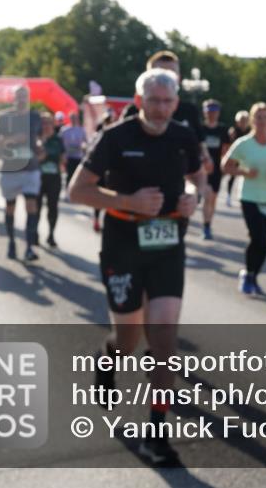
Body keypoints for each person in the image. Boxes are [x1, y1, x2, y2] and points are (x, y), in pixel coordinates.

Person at [69, 68, 202, 467]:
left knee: (164, 341)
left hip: (167, 245)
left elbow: (196, 179)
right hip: (123, 243)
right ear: (138, 99)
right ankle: (107, 358)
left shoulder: (184, 136)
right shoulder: (116, 137)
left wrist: (192, 197)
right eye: (154, 100)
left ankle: (156, 433)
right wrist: (128, 201)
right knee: (127, 338)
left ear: (176, 103)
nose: (161, 108)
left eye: (168, 101)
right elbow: (77, 191)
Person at [222, 102, 266, 296]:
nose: (262, 121)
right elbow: (225, 166)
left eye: (265, 118)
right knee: (258, 238)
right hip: (250, 197)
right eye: (258, 118)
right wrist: (243, 171)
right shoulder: (243, 143)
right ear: (252, 120)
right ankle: (248, 274)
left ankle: (253, 276)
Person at [0, 86, 44, 262]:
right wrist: (12, 139)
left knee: (32, 205)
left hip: (31, 168)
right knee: (10, 207)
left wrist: (40, 147)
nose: (22, 99)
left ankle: (29, 247)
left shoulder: (36, 116)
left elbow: (40, 137)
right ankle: (12, 242)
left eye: (25, 96)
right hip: (10, 168)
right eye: (19, 96)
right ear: (14, 98)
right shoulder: (4, 117)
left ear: (29, 98)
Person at [199, 99, 229, 240]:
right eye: (209, 112)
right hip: (201, 169)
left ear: (218, 113)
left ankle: (208, 223)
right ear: (205, 113)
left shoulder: (222, 130)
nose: (212, 115)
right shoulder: (200, 128)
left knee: (213, 199)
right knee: (208, 196)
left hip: (216, 168)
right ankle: (206, 226)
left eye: (214, 112)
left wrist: (224, 167)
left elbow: (226, 150)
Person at [35, 113, 65, 248]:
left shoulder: (58, 140)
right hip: (38, 178)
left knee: (53, 207)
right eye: (43, 123)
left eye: (48, 123)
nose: (46, 126)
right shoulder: (36, 139)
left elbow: (63, 157)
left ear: (53, 125)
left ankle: (51, 234)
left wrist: (62, 162)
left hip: (54, 178)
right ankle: (34, 233)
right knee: (36, 207)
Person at [225, 110, 250, 206]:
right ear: (237, 121)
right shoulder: (233, 132)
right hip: (236, 157)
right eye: (242, 120)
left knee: (247, 176)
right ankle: (228, 196)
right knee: (232, 176)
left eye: (245, 120)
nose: (243, 123)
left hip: (247, 157)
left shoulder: (250, 131)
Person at [59, 111, 87, 193]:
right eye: (72, 118)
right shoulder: (64, 130)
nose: (74, 120)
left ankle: (75, 192)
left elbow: (85, 141)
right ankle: (67, 192)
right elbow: (60, 142)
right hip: (67, 156)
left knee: (76, 175)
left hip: (78, 156)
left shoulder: (81, 130)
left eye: (75, 118)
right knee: (68, 174)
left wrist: (83, 146)